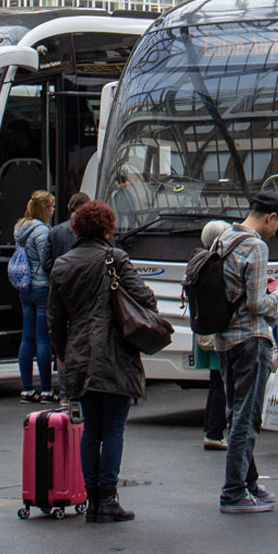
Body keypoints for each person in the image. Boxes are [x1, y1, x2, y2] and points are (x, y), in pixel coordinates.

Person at [49, 199, 158, 523]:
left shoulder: (62, 264)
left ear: (77, 228)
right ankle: (109, 498)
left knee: (91, 429)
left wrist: (62, 354)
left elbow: (54, 318)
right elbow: (145, 299)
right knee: (113, 428)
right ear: (107, 228)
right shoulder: (116, 259)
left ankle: (92, 498)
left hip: (79, 355)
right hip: (115, 354)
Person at [213, 191, 278, 514]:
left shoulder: (224, 239)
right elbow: (258, 304)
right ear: (270, 217)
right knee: (247, 416)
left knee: (235, 411)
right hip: (251, 339)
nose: (277, 231)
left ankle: (248, 481)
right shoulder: (256, 247)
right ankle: (233, 490)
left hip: (224, 339)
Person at [14, 190, 57, 403]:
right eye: (52, 206)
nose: (54, 210)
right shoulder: (42, 231)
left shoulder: (21, 228)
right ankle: (47, 389)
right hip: (41, 286)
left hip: (25, 286)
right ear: (45, 209)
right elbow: (45, 259)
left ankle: (27, 388)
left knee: (26, 338)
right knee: (43, 339)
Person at [196, 218, 233, 451]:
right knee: (221, 383)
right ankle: (214, 430)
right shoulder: (219, 263)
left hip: (206, 328)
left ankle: (211, 428)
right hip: (221, 329)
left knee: (215, 382)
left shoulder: (199, 260)